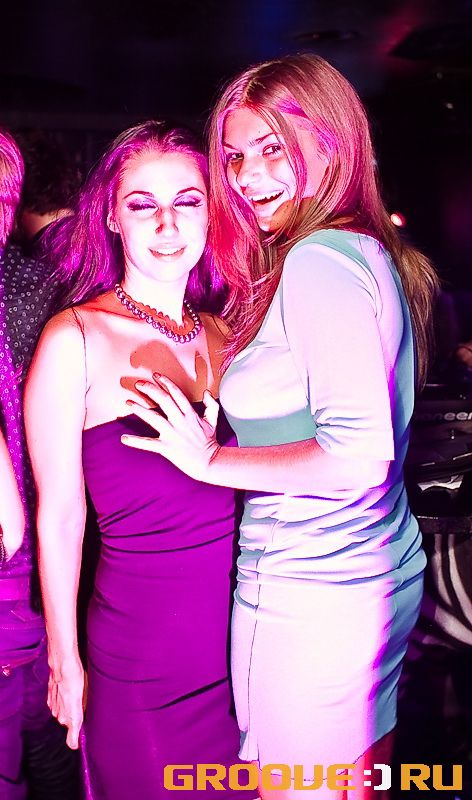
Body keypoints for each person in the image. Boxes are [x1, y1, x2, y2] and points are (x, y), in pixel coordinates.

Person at [120, 55, 440, 799]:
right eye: (234, 156)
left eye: (274, 149)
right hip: (366, 576)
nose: (249, 176)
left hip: (313, 593)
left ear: (334, 143)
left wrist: (210, 460)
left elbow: (358, 455)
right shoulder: (359, 248)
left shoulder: (319, 260)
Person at [24, 121, 247, 800]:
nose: (168, 223)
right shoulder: (75, 338)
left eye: (187, 200)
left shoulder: (227, 334)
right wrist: (64, 660)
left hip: (246, 651)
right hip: (142, 662)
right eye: (143, 204)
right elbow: (60, 518)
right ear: (112, 218)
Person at [0, 127, 80, 800]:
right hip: (22, 564)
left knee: (47, 744)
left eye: (5, 198)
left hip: (30, 571)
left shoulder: (27, 287)